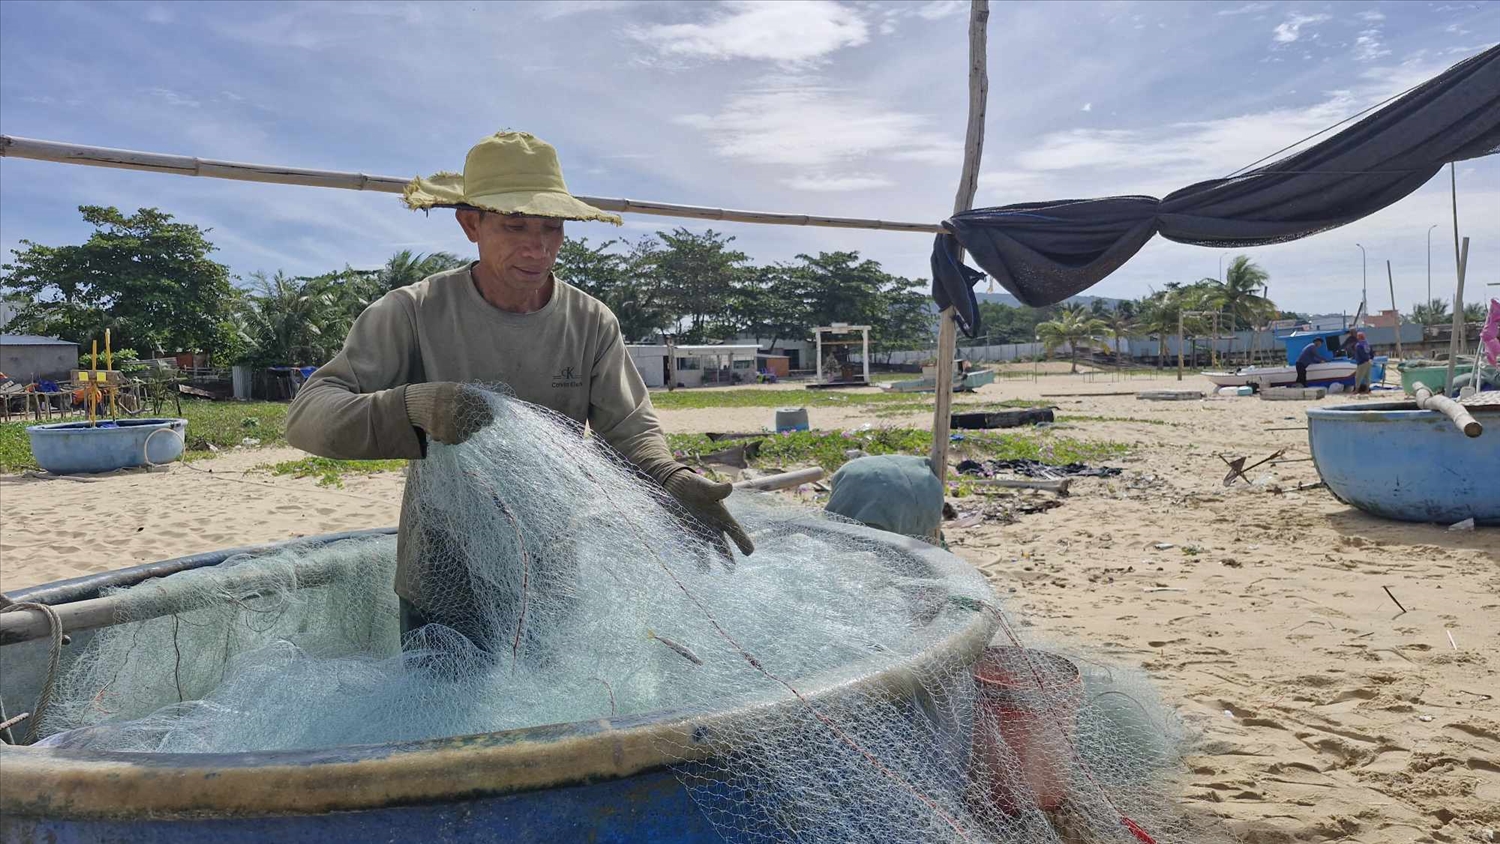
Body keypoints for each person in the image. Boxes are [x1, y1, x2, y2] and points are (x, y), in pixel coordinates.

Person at [286, 132, 754, 653]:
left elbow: (629, 428)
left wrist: (670, 477)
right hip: (442, 578)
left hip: (550, 570)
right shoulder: (413, 312)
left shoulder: (590, 321)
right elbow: (309, 414)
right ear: (471, 224)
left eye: (551, 228)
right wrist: (414, 407)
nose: (539, 248)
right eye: (514, 227)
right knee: (447, 722)